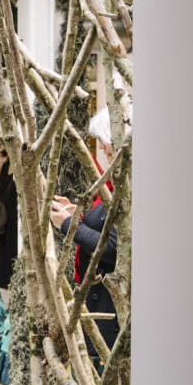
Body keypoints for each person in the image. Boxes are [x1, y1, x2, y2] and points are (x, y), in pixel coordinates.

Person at [49, 108, 118, 353]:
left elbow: (112, 247)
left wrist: (69, 224)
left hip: (109, 308)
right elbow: (104, 224)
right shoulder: (113, 183)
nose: (101, 148)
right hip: (98, 299)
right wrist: (74, 213)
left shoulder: (125, 189)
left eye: (103, 142)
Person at [0, 143, 18, 289]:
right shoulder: (5, 165)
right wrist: (0, 162)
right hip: (2, 219)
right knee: (3, 256)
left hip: (16, 219)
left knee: (14, 254)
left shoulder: (22, 167)